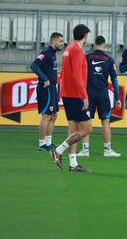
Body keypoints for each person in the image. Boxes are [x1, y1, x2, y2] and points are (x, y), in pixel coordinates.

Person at [51, 24, 92, 172]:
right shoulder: (77, 51)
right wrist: (84, 96)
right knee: (87, 128)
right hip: (75, 95)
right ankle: (59, 150)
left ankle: (73, 164)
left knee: (73, 129)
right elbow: (76, 76)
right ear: (85, 36)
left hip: (68, 93)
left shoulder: (68, 50)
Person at [77, 36, 122, 158]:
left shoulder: (86, 57)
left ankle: (85, 150)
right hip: (103, 94)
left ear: (94, 44)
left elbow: (79, 76)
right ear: (104, 45)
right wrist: (117, 97)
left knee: (85, 123)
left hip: (88, 94)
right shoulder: (109, 59)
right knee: (106, 123)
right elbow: (114, 80)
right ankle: (107, 150)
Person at [31, 32, 64, 151]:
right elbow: (34, 65)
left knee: (54, 115)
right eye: (60, 41)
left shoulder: (53, 54)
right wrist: (44, 78)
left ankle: (48, 142)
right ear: (54, 41)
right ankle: (41, 143)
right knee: (46, 116)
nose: (62, 43)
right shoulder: (45, 53)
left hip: (53, 88)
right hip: (46, 89)